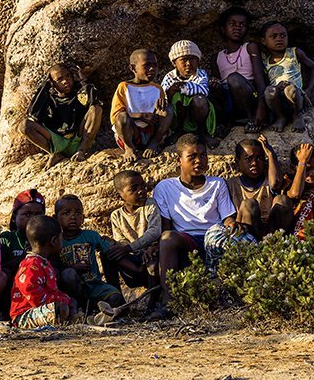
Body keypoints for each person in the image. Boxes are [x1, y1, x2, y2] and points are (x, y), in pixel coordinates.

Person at [150, 134, 237, 319]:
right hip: (186, 240)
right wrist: (156, 245)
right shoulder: (165, 187)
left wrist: (232, 225)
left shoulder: (217, 184)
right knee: (167, 239)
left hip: (214, 238)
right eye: (192, 156)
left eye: (203, 155)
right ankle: (168, 302)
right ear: (179, 160)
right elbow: (166, 226)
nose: (199, 161)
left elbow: (227, 217)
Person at [55, 194, 127, 315]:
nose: (73, 217)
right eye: (66, 213)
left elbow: (111, 251)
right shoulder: (56, 241)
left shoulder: (90, 236)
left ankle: (95, 307)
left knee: (115, 298)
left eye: (78, 213)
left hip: (95, 286)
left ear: (83, 218)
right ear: (56, 218)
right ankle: (82, 307)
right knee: (69, 274)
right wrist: (73, 267)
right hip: (72, 290)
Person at [23, 64, 103, 165]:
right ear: (52, 83)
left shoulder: (80, 94)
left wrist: (83, 80)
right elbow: (33, 114)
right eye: (59, 79)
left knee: (96, 109)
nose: (65, 81)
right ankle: (55, 154)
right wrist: (45, 86)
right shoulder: (50, 98)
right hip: (58, 141)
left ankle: (82, 151)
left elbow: (94, 100)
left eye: (68, 76)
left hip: (77, 141)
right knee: (24, 125)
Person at [9, 215, 78, 329]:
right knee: (60, 309)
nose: (62, 242)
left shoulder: (44, 262)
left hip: (41, 309)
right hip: (24, 315)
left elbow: (52, 291)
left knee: (70, 302)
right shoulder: (31, 265)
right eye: (61, 239)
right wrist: (60, 301)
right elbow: (33, 293)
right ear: (54, 241)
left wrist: (66, 299)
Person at [111, 49, 174, 160]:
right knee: (122, 117)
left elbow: (161, 113)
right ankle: (129, 148)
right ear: (133, 68)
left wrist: (159, 111)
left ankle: (154, 143)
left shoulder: (157, 88)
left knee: (168, 109)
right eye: (147, 65)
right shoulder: (124, 87)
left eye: (155, 65)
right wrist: (139, 116)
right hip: (130, 134)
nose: (152, 69)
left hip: (151, 134)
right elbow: (115, 117)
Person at [107, 170, 162, 292]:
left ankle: (153, 298)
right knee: (108, 254)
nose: (141, 191)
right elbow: (121, 240)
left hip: (150, 252)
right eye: (133, 189)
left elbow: (154, 231)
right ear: (120, 196)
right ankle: (114, 295)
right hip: (131, 258)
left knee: (152, 262)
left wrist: (129, 248)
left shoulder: (151, 205)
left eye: (143, 186)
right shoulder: (116, 215)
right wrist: (122, 248)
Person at [225, 135, 290, 238]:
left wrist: (271, 155)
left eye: (259, 158)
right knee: (249, 204)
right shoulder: (231, 184)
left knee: (282, 200)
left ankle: (276, 243)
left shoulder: (269, 181)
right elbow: (226, 216)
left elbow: (276, 183)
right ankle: (253, 244)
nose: (254, 163)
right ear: (237, 162)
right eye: (248, 159)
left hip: (271, 232)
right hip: (246, 234)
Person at [213, 7, 266, 132]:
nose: (237, 27)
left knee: (234, 78)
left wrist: (261, 107)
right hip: (228, 100)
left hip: (248, 95)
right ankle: (223, 123)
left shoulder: (250, 47)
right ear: (223, 29)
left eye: (242, 25)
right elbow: (216, 80)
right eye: (232, 24)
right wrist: (213, 83)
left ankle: (251, 119)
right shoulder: (216, 57)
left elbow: (259, 78)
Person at [259, 21, 314, 132]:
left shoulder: (294, 53)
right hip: (278, 100)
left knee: (290, 90)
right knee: (269, 91)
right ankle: (280, 117)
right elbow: (267, 83)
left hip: (295, 96)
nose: (279, 39)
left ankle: (297, 115)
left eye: (283, 35)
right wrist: (277, 87)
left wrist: (309, 89)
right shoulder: (265, 63)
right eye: (273, 36)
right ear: (264, 41)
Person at [0, 189, 46, 314]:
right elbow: (0, 267)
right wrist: (26, 257)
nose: (33, 219)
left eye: (38, 215)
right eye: (27, 214)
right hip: (13, 296)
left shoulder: (46, 239)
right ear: (15, 217)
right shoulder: (7, 239)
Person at [161, 40, 217, 143]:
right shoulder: (170, 77)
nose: (188, 63)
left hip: (197, 115)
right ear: (174, 63)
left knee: (199, 99)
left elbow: (204, 90)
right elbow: (163, 96)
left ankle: (203, 132)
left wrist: (182, 87)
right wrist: (171, 91)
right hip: (179, 117)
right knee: (176, 98)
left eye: (192, 59)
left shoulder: (200, 74)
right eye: (183, 60)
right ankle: (178, 131)